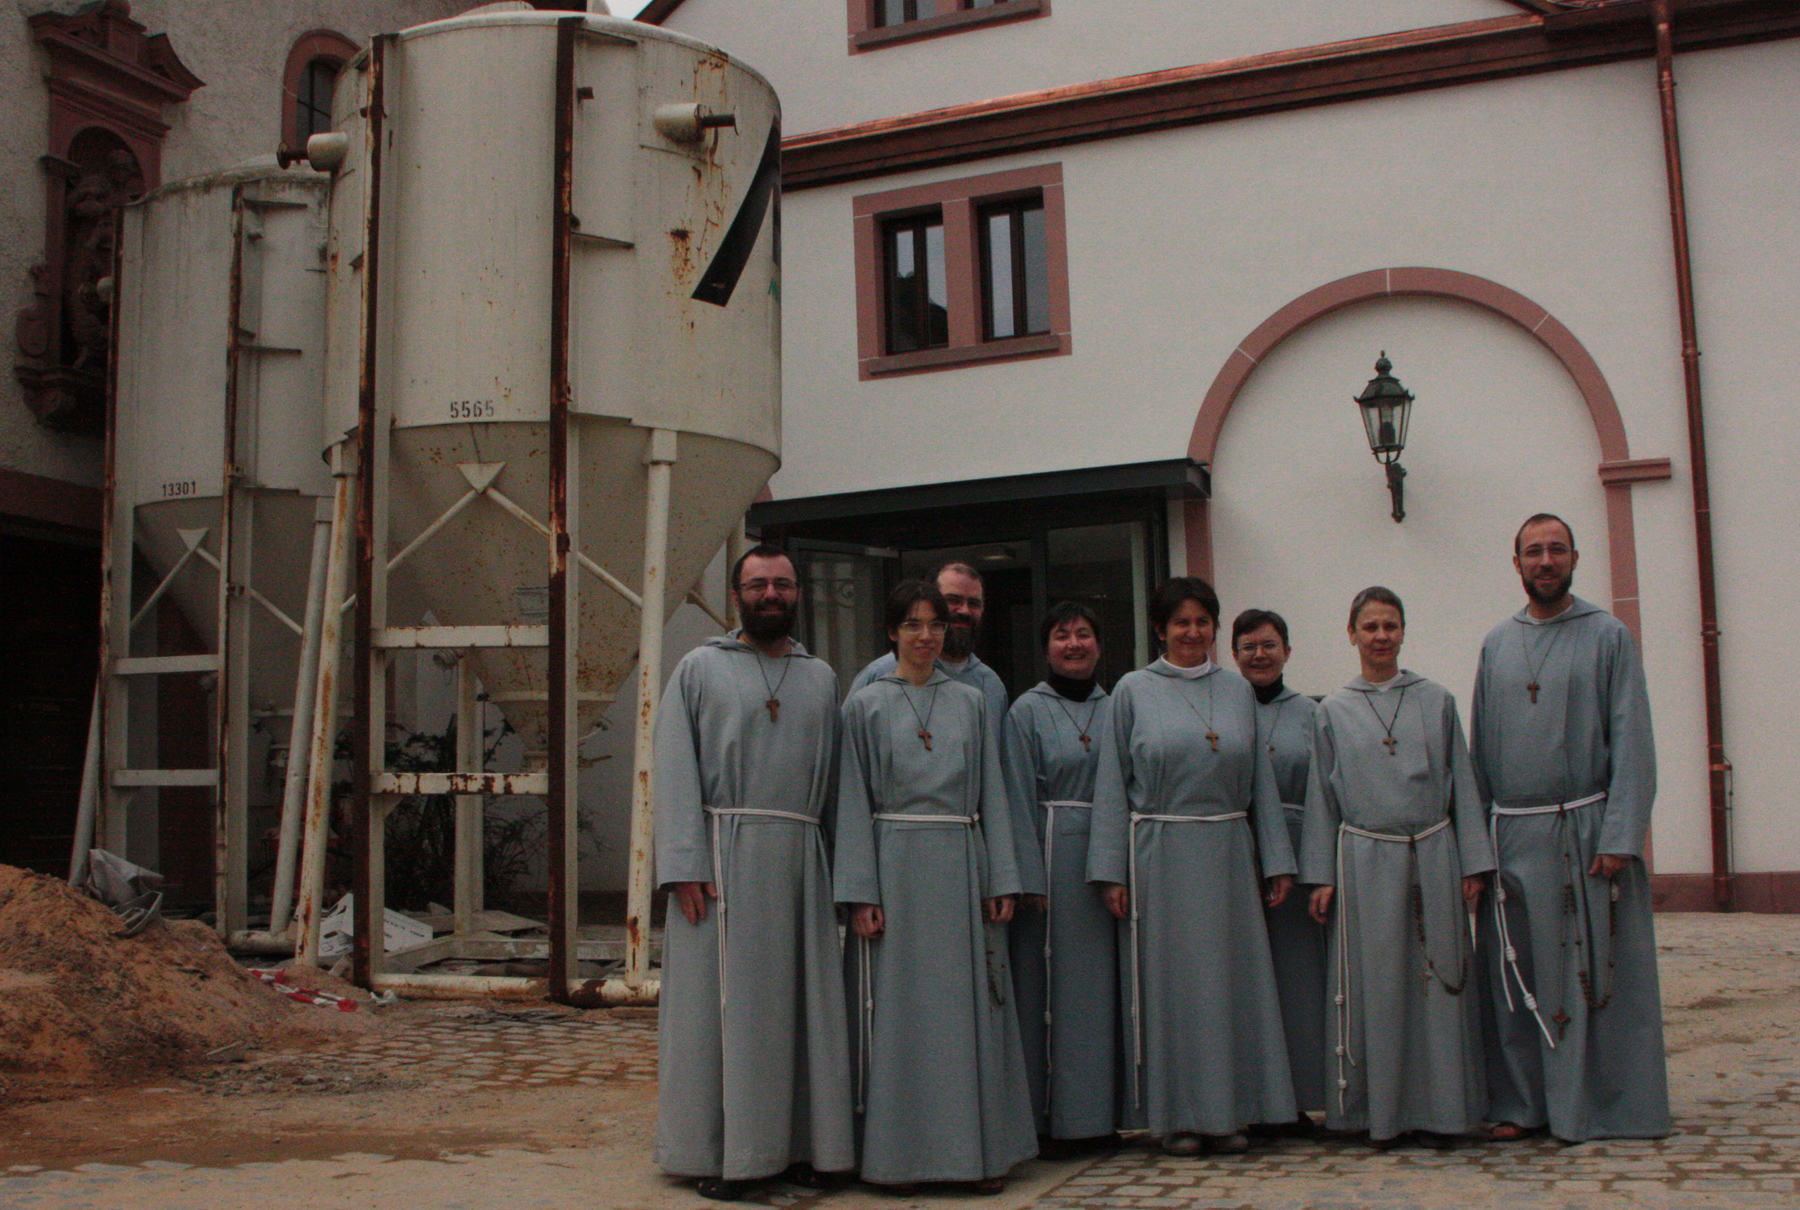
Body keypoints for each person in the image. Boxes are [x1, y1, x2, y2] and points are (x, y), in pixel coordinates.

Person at [652, 544, 855, 1200]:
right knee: (720, 1016)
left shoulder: (820, 678)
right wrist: (682, 864)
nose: (772, 594)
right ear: (737, 594)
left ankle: (801, 1147)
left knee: (802, 1014)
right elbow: (673, 767)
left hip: (800, 865)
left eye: (783, 584)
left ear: (798, 593)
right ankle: (720, 1153)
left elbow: (838, 788)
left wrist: (844, 876)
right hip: (719, 866)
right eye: (759, 584)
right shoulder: (698, 669)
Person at [1471, 514, 1670, 1142]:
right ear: (1517, 563)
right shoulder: (1497, 644)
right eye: (1534, 551)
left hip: (1586, 835)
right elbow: (1479, 755)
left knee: (1594, 978)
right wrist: (1477, 848)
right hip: (1512, 838)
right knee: (1517, 976)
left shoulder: (1609, 636)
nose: (1546, 561)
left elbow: (1633, 740)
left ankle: (1604, 1105)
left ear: (1575, 558)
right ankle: (1522, 1105)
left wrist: (1621, 836)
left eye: (1557, 549)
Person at [834, 580, 1036, 1192]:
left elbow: (992, 791)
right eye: (913, 624)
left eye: (936, 625)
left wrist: (1001, 876)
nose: (926, 636)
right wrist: (861, 893)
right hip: (893, 871)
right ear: (891, 631)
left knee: (965, 1016)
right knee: (898, 1017)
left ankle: (973, 1157)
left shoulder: (972, 702)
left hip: (961, 865)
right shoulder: (865, 705)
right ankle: (896, 1159)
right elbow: (852, 801)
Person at [1087, 576, 1297, 1157]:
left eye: (1203, 621)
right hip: (1160, 854)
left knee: (1230, 986)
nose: (1192, 632)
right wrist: (1111, 871)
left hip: (1228, 854)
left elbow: (1261, 783)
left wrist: (1276, 861)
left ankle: (1230, 1112)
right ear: (1160, 628)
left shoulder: (1236, 691)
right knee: (1174, 990)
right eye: (1181, 621)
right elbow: (1112, 783)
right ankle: (1176, 1116)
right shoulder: (1132, 690)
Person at [1299, 586, 1493, 1148]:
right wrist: (1321, 875)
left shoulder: (1437, 701)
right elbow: (1321, 799)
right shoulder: (1332, 711)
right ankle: (1378, 1115)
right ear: (1352, 634)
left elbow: (1462, 783)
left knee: (1438, 986)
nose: (1381, 636)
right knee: (1378, 988)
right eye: (1370, 627)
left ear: (1403, 631)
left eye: (1390, 626)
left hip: (1433, 854)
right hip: (1364, 862)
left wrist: (1473, 863)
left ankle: (1443, 1112)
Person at [1003, 601, 1120, 1155]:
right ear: (1046, 647)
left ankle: (1098, 1116)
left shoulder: (1117, 707)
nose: (1074, 645)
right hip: (1049, 865)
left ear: (1099, 644)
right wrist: (1028, 876)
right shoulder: (1026, 711)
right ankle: (1047, 1119)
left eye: (1084, 634)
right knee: (1045, 994)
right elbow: (1015, 794)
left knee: (1100, 994)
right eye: (1061, 635)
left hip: (1106, 863)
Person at [1231, 608, 1326, 1128]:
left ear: (1287, 651)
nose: (1259, 655)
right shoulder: (1223, 708)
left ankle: (1296, 1099)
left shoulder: (1313, 714)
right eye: (1248, 646)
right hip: (1235, 855)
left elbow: (1324, 794)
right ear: (1234, 655)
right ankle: (1247, 1098)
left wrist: (1316, 868)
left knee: (1295, 982)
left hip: (1296, 855)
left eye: (1269, 645)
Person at [850, 562, 1010, 734]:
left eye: (973, 603)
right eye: (953, 600)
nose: (965, 611)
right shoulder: (878, 674)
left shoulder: (991, 685)